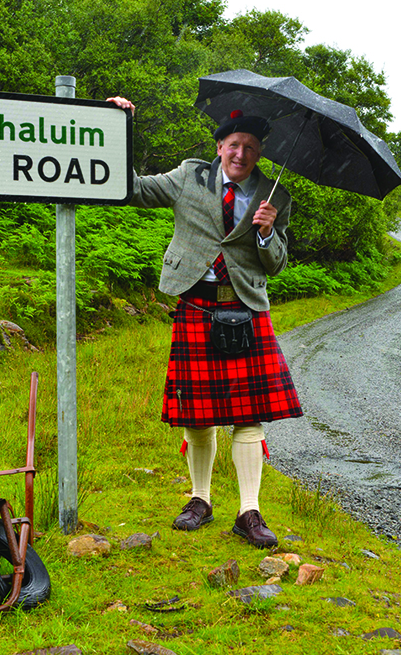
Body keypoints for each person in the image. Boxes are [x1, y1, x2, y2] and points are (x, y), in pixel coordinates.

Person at [107, 96, 303, 548]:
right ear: (219, 147)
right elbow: (131, 187)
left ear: (259, 153)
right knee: (198, 416)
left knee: (250, 416)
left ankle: (249, 512)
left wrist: (268, 231)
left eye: (251, 147)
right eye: (234, 144)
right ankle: (200, 500)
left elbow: (275, 265)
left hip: (246, 309)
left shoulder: (276, 197)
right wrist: (122, 127)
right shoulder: (186, 178)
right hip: (195, 306)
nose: (241, 154)